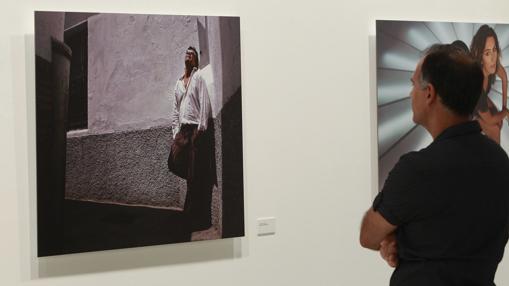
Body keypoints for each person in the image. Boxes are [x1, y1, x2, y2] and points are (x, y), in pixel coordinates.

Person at [360, 44, 509, 285]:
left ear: (429, 93)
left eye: (413, 85)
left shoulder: (416, 170)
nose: (410, 94)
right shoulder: (501, 163)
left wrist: (392, 237)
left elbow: (369, 235)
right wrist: (400, 239)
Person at [168, 46, 217, 232]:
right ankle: (191, 214)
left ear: (195, 60)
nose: (189, 55)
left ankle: (194, 216)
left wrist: (201, 130)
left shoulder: (198, 77)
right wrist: (175, 134)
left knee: (195, 175)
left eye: (193, 54)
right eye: (187, 53)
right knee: (174, 162)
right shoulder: (178, 83)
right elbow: (175, 109)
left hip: (195, 130)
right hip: (182, 132)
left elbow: (204, 102)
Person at [470, 24, 509, 144]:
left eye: (494, 50)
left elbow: (504, 77)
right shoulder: (476, 84)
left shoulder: (492, 64)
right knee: (496, 129)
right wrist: (506, 112)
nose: (493, 58)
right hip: (467, 108)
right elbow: (491, 120)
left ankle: (486, 146)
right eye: (487, 53)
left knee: (499, 120)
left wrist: (503, 106)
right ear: (480, 56)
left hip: (480, 99)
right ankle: (494, 160)